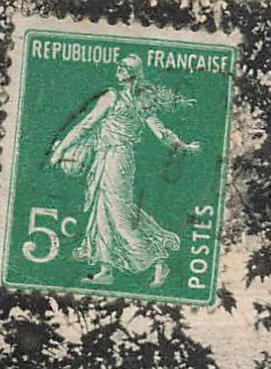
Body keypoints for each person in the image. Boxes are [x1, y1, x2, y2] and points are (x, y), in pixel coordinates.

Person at [48, 54, 200, 288]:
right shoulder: (128, 99)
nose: (118, 69)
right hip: (108, 158)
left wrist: (60, 152)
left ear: (134, 74)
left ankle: (159, 259)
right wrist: (184, 146)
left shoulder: (121, 98)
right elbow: (89, 124)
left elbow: (158, 131)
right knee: (103, 213)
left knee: (119, 218)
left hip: (117, 160)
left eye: (124, 67)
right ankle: (106, 269)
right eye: (119, 65)